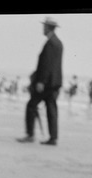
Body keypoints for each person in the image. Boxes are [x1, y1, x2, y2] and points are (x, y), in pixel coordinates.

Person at [17, 17, 63, 145]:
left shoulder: (50, 43)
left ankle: (30, 135)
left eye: (44, 26)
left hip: (46, 84)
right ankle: (53, 138)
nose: (43, 29)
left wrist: (41, 81)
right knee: (52, 110)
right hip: (54, 83)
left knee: (31, 106)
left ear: (48, 27)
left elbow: (46, 65)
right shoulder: (58, 43)